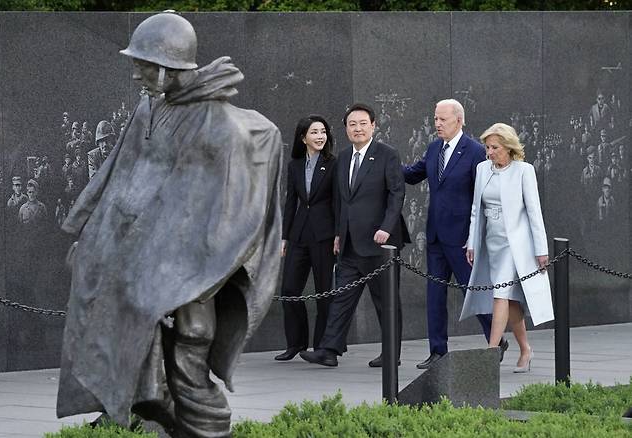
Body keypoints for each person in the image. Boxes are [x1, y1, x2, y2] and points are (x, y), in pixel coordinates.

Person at [56, 12, 282, 438]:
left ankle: (206, 429)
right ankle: (136, 407)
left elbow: (226, 217)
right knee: (116, 318)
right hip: (141, 250)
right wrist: (89, 232)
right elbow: (120, 172)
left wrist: (181, 275)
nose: (136, 73)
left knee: (192, 341)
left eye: (144, 65)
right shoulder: (151, 107)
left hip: (191, 259)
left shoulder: (219, 125)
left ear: (169, 67)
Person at [300, 103, 409, 368]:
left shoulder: (387, 154)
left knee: (386, 302)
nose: (357, 128)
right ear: (346, 128)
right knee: (341, 299)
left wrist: (386, 226)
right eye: (352, 124)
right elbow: (341, 200)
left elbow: (397, 193)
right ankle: (328, 350)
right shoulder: (344, 158)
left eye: (363, 123)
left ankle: (391, 354)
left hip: (380, 243)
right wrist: (339, 233)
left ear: (373, 126)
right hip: (349, 244)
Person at [403, 99, 506, 370]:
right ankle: (438, 351)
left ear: (458, 120)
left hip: (463, 239)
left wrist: (476, 237)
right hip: (436, 236)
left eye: (442, 119)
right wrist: (385, 166)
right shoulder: (434, 147)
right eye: (435, 118)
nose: (437, 124)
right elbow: (413, 174)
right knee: (435, 296)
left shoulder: (474, 151)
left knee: (473, 292)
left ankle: (496, 341)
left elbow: (483, 195)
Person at [460, 122, 553, 373]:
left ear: (509, 147)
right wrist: (472, 241)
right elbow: (475, 211)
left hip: (516, 245)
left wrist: (541, 249)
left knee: (500, 293)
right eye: (487, 147)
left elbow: (534, 212)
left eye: (495, 147)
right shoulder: (482, 169)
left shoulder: (524, 171)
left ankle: (490, 353)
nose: (489, 152)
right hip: (491, 241)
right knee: (510, 301)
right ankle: (525, 349)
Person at [275, 115, 336, 361]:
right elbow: (291, 203)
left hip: (325, 235)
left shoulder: (334, 163)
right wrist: (284, 237)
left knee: (324, 293)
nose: (320, 136)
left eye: (323, 131)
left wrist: (339, 234)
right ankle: (296, 344)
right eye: (314, 132)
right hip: (299, 235)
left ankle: (322, 347)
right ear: (303, 138)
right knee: (289, 290)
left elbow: (339, 202)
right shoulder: (295, 165)